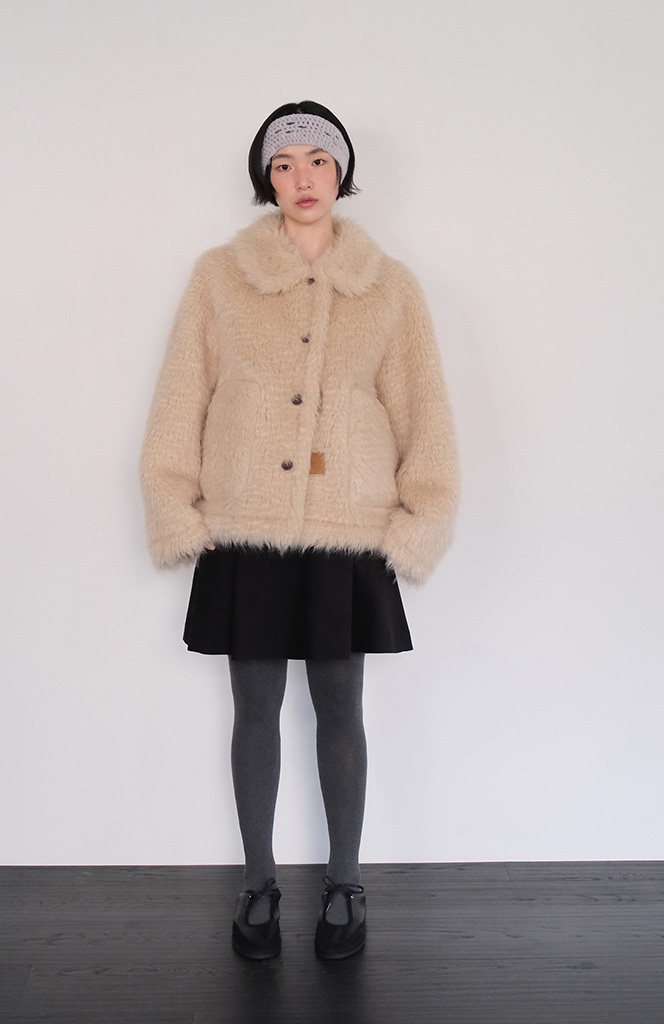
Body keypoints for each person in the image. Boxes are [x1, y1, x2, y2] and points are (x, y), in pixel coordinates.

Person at [140, 101, 459, 960]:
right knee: (253, 709)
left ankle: (346, 884)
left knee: (340, 706)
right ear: (265, 179)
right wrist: (176, 506)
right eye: (283, 165)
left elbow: (423, 410)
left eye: (318, 160)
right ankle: (257, 884)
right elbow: (181, 395)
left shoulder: (390, 288)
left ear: (341, 172)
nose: (302, 178)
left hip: (347, 532)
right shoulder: (218, 278)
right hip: (244, 526)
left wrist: (418, 520)